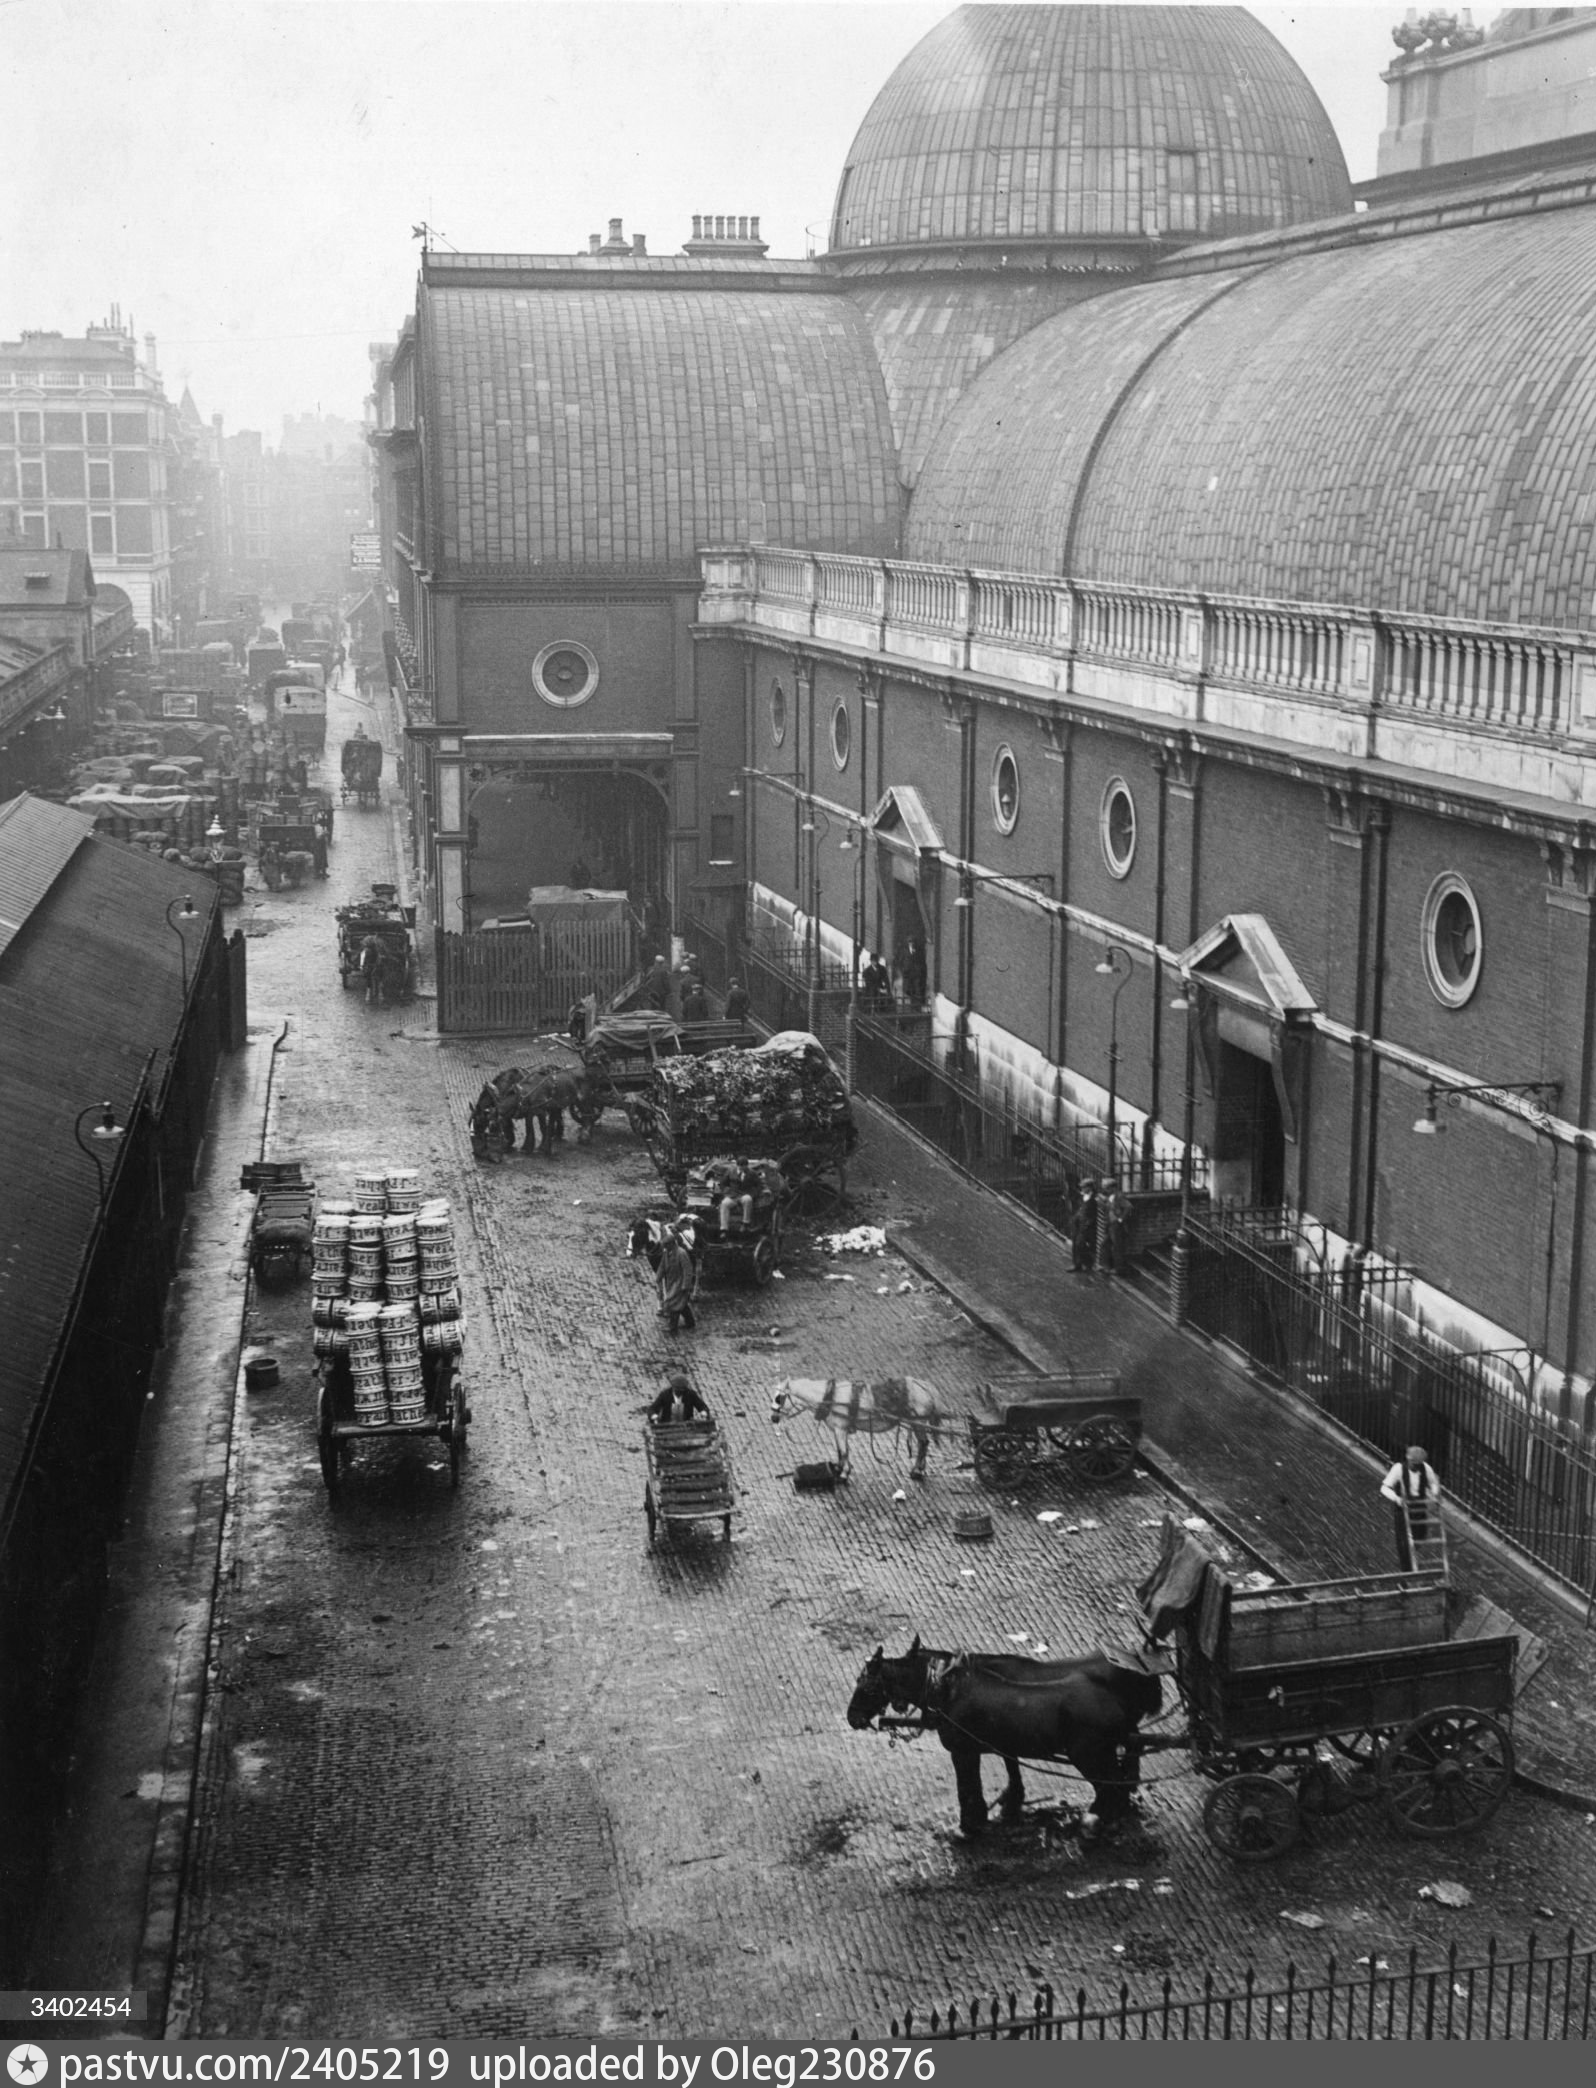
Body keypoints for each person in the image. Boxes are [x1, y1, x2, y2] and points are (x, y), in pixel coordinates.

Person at [1381, 1446, 1442, 1571]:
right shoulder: (1398, 1469)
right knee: (1404, 1542)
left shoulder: (1426, 1469)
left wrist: (1434, 1494)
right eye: (1414, 1464)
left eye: (1419, 1464)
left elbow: (1433, 1483)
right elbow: (1384, 1488)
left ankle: (1412, 1556)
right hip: (1403, 1509)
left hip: (1420, 1508)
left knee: (1420, 1536)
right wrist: (1397, 1499)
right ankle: (1407, 1570)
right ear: (1408, 1460)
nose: (1416, 1467)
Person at [656, 1226, 698, 1333]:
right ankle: (690, 1322)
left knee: (673, 1303)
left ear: (672, 1244)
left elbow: (687, 1270)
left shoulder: (681, 1253)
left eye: (666, 1245)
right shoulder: (666, 1253)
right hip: (671, 1282)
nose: (665, 1247)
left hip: (680, 1282)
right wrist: (658, 1276)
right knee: (681, 1304)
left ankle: (672, 1326)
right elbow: (662, 1265)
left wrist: (685, 1285)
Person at [1070, 1178, 1098, 1274]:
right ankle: (1077, 1264)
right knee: (1076, 1243)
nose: (1082, 1189)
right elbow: (1079, 1208)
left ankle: (1087, 1264)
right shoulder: (1082, 1196)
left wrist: (1087, 1224)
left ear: (1090, 1188)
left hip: (1087, 1226)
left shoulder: (1094, 1198)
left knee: (1081, 1244)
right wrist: (1076, 1218)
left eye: (1084, 1187)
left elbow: (1094, 1214)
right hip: (1078, 1223)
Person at [901, 936, 928, 1010]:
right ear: (908, 943)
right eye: (910, 942)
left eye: (912, 942)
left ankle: (917, 1007)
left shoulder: (918, 950)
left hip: (916, 974)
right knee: (910, 990)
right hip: (908, 974)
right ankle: (912, 1006)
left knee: (917, 989)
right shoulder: (904, 951)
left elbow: (921, 960)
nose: (911, 944)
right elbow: (901, 961)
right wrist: (904, 969)